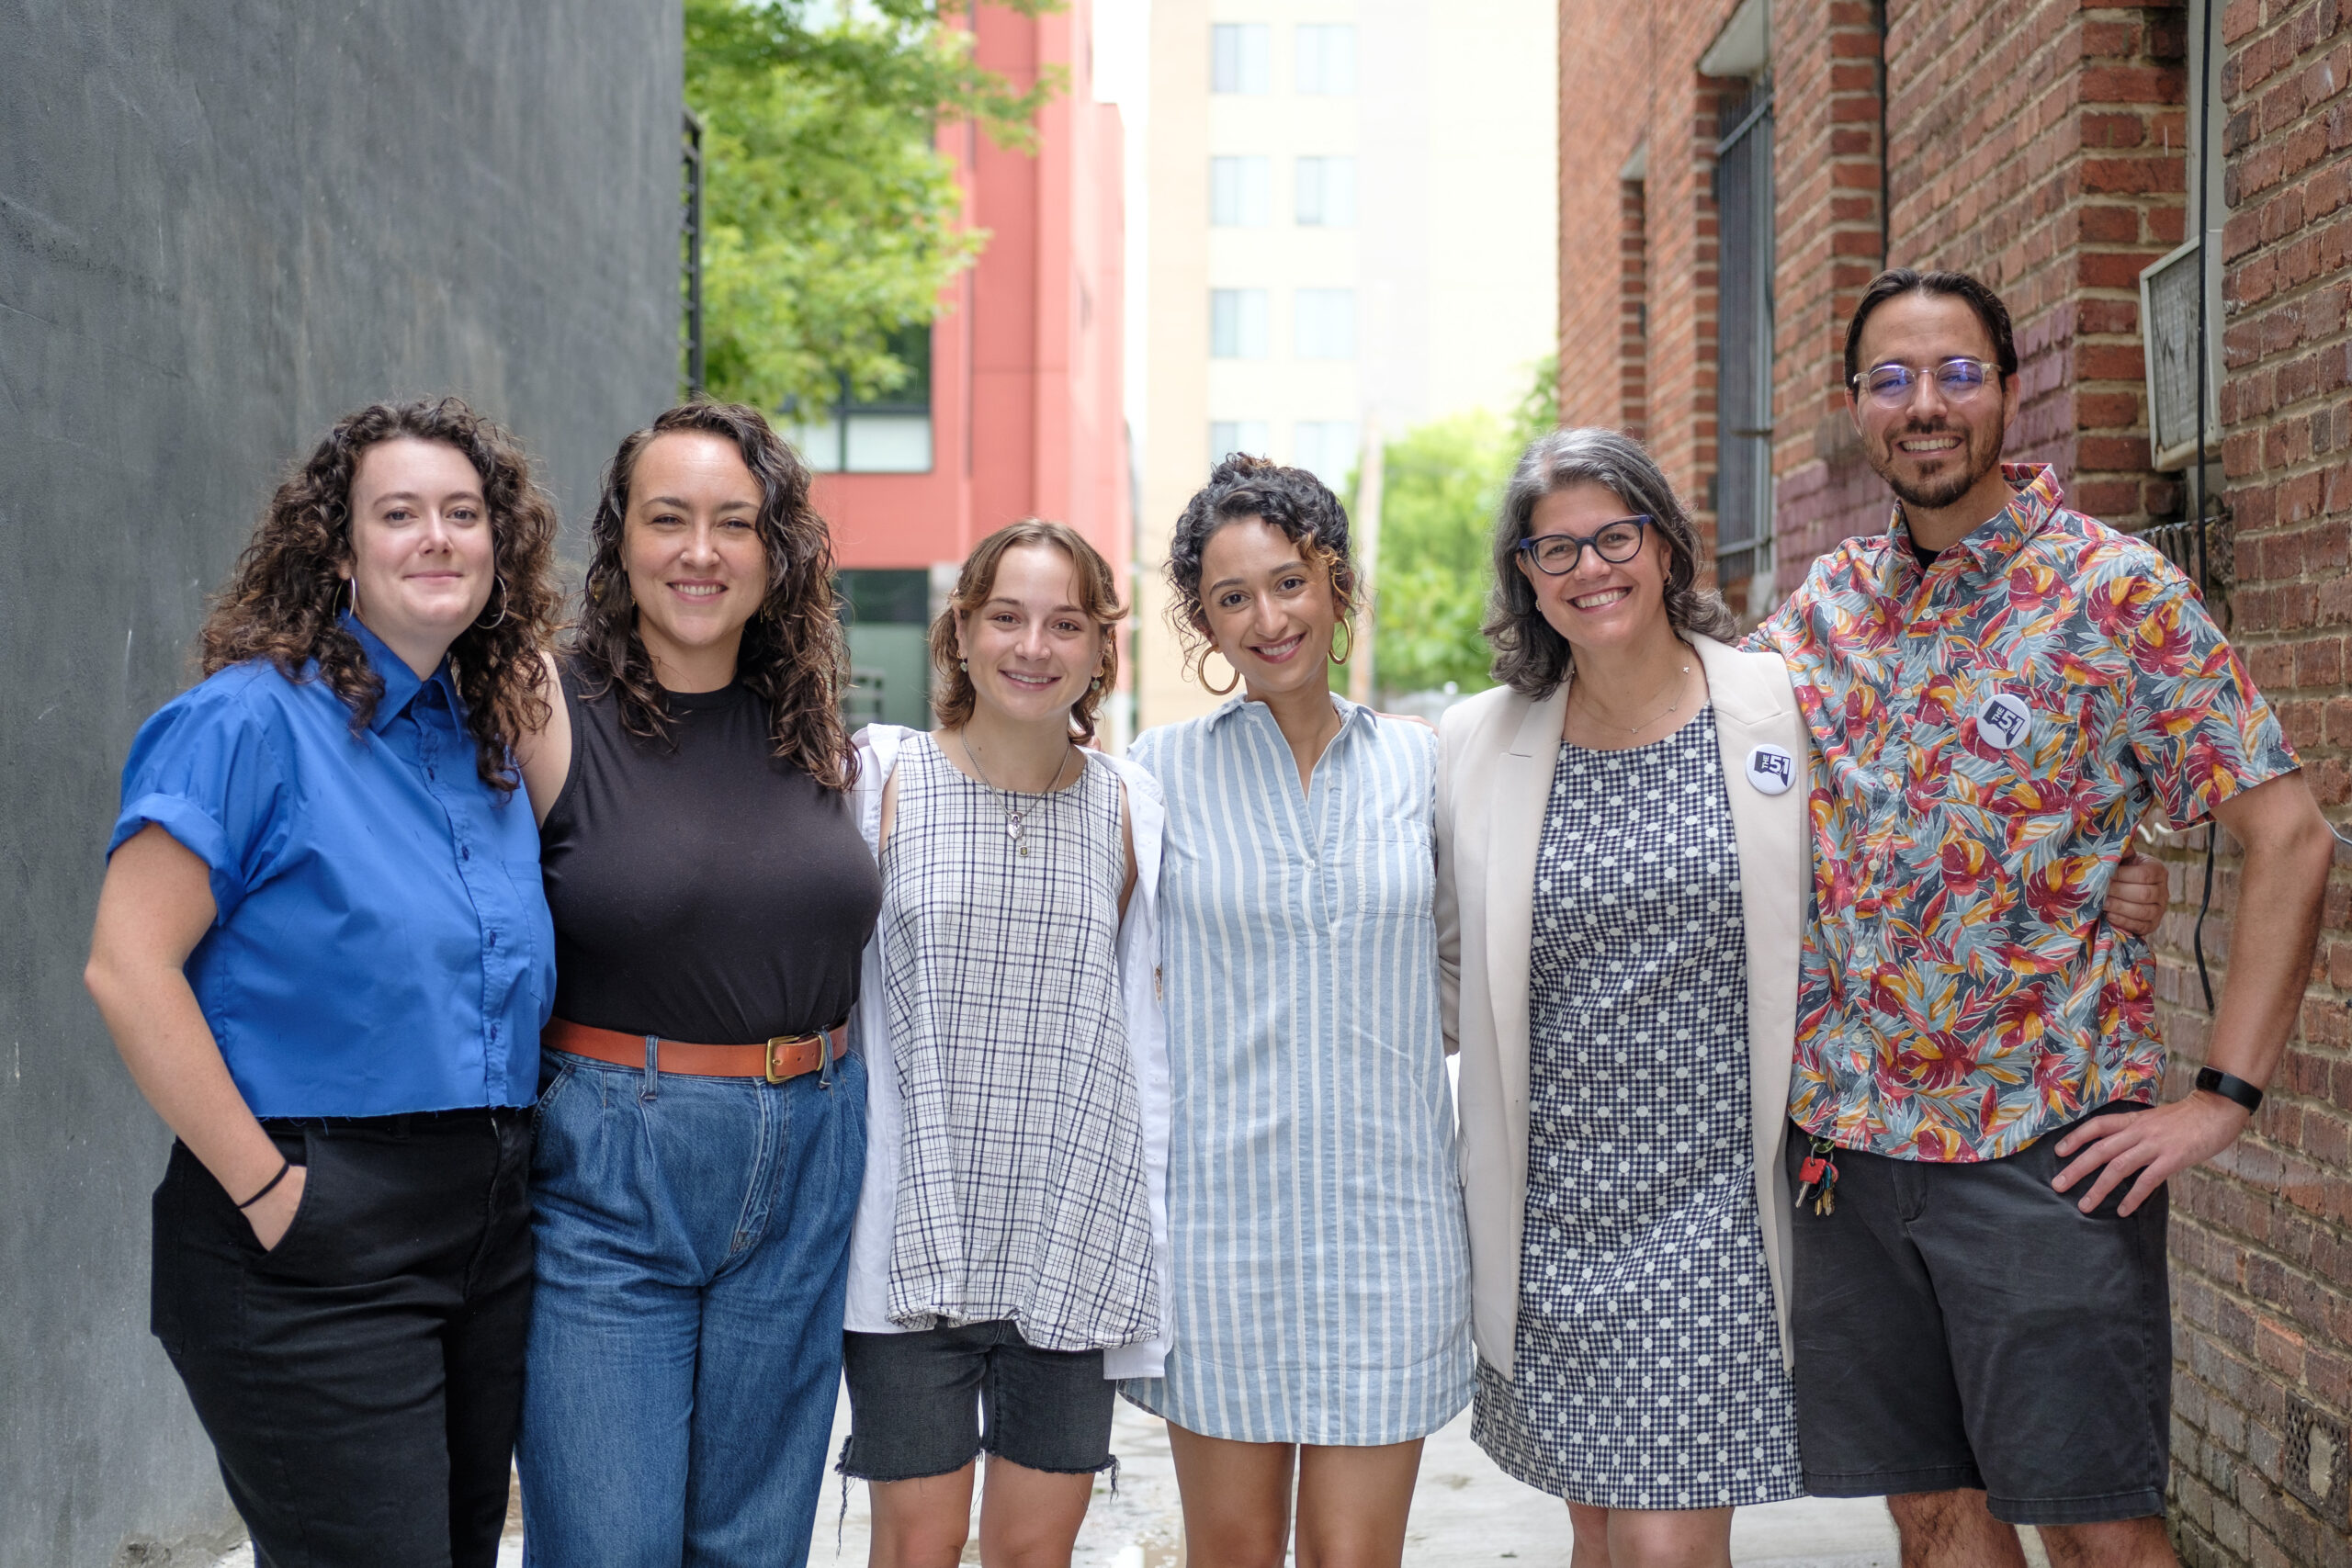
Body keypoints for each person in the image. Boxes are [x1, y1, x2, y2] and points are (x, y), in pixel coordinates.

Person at [1747, 268, 2334, 1568]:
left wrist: (2222, 1095)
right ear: (1857, 408)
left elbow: (2290, 837)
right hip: (1853, 1145)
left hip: (2051, 1144)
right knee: (1935, 1513)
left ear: (2012, 388)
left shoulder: (2116, 596)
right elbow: (1714, 784)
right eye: (1893, 379)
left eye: (1957, 372)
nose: (1926, 404)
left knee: (2100, 1526)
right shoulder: (1820, 615)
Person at [84, 397, 564, 1568]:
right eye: (397, 515)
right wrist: (267, 1193)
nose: (436, 537)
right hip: (311, 1223)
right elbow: (126, 966)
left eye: (464, 513)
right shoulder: (248, 719)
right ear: (340, 551)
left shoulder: (486, 732)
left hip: (487, 1221)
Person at [513, 401, 879, 1568]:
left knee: (753, 1546)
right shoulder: (541, 705)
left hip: (813, 1152)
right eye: (668, 519)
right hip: (616, 1165)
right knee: (608, 1544)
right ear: (620, 540)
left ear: (778, 550)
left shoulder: (817, 723)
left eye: (736, 521)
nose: (701, 551)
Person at [1118, 457, 1473, 1568]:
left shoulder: (1424, 766)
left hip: (1389, 1229)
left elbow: (1459, 973)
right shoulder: (1153, 776)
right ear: (1202, 625)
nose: (1267, 619)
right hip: (1219, 1239)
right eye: (1232, 598)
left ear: (1334, 584)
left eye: (1287, 583)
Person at [840, 520, 1170, 1568]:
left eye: (1064, 623)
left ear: (1098, 649)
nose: (1034, 646)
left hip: (1069, 1238)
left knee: (1037, 1557)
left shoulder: (1132, 807)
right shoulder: (878, 778)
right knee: (916, 1553)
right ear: (962, 634)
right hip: (913, 1242)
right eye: (1008, 618)